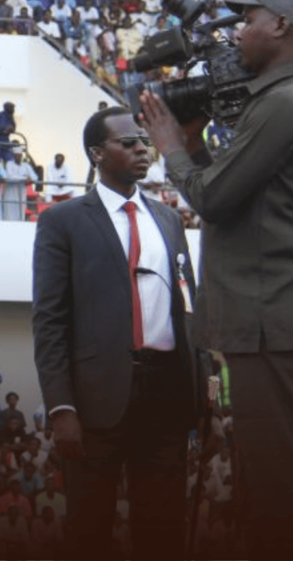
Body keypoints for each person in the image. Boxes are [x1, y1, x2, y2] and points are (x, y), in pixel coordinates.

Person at [141, 0, 293, 559]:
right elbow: (234, 192)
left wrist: (171, 143)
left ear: (281, 27)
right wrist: (194, 147)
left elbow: (215, 200)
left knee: (280, 494)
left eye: (249, 19)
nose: (240, 31)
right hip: (273, 314)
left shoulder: (286, 104)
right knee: (264, 489)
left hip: (276, 316)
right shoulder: (284, 100)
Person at [33, 106, 198, 559]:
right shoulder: (62, 221)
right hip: (94, 400)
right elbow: (49, 319)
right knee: (90, 527)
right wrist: (61, 406)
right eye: (128, 143)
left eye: (144, 142)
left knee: (163, 527)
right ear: (97, 153)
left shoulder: (168, 220)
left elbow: (187, 309)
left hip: (167, 391)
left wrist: (205, 397)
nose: (143, 149)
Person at [4, 151, 38, 221]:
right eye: (16, 155)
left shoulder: (26, 165)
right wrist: (25, 178)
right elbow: (10, 176)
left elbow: (35, 177)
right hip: (10, 195)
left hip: (21, 194)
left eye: (19, 155)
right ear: (13, 156)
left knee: (20, 213)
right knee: (9, 215)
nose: (18, 157)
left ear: (21, 156)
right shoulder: (9, 164)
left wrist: (29, 179)